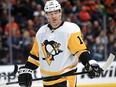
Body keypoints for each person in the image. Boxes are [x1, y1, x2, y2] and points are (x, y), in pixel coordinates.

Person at [18, 0, 103, 87]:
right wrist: (27, 69)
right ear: (46, 15)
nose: (54, 16)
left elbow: (80, 51)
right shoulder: (41, 32)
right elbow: (35, 57)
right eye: (50, 13)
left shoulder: (71, 29)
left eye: (56, 12)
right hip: (46, 81)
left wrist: (90, 62)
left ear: (60, 12)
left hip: (65, 80)